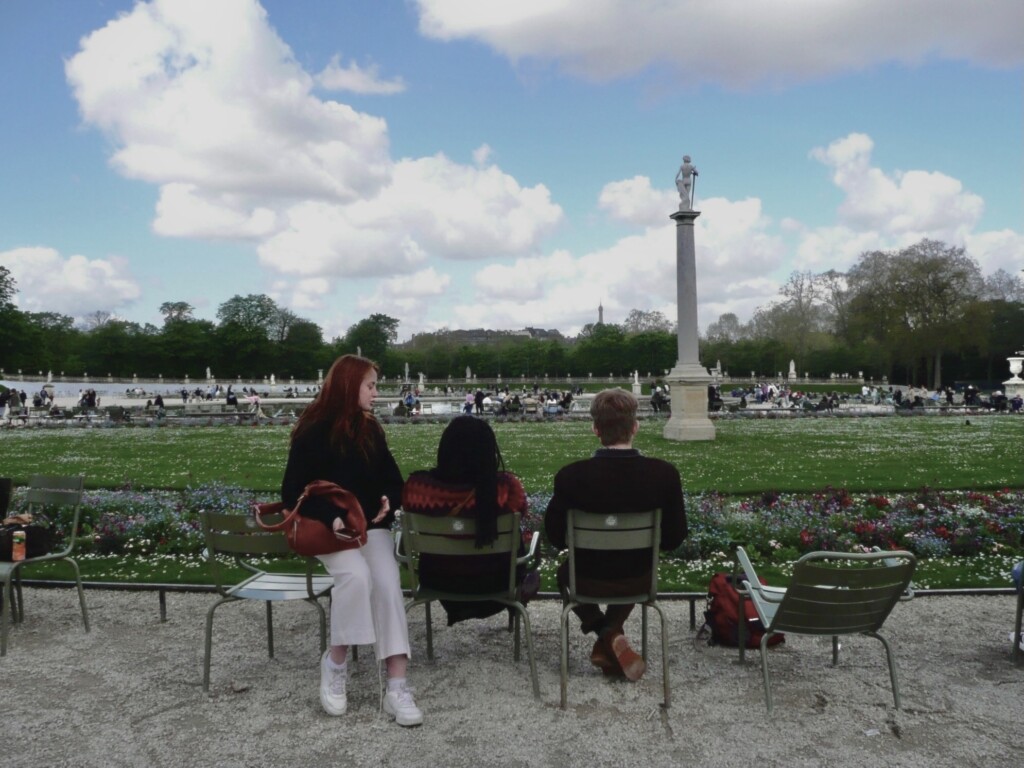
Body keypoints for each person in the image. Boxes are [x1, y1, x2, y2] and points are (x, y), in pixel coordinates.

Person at [280, 354, 423, 727]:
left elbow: (393, 479)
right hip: (330, 529)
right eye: (371, 385)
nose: (376, 393)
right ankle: (336, 663)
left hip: (369, 527)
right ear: (348, 386)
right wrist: (334, 515)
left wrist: (389, 501)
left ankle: (397, 685)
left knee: (388, 583)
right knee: (357, 577)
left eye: (376, 385)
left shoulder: (370, 429)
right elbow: (292, 490)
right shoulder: (312, 430)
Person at [544, 388, 687, 681]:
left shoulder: (571, 476)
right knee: (636, 565)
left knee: (564, 575)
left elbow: (556, 537)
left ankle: (605, 634)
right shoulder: (664, 474)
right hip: (638, 578)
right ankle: (610, 635)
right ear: (635, 427)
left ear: (595, 429)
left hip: (584, 578)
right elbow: (674, 538)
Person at [401, 416, 539, 625]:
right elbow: (521, 514)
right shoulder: (505, 488)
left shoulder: (419, 489)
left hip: (438, 580)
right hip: (496, 581)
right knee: (521, 549)